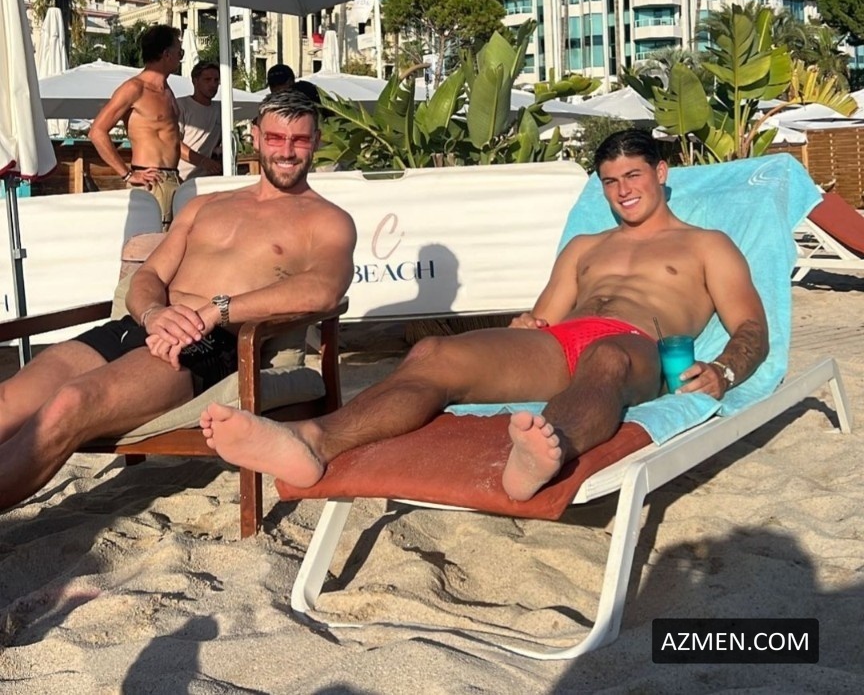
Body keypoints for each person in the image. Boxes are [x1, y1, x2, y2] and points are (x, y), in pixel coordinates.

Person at [200, 130, 769, 502]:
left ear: (662, 172)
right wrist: (526, 326)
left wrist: (726, 370)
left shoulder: (706, 244)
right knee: (434, 353)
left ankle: (547, 451)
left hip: (634, 348)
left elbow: (751, 326)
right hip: (560, 344)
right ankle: (314, 441)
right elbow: (544, 318)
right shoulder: (585, 246)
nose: (623, 191)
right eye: (611, 181)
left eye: (634, 176)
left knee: (606, 357)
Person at [0, 91, 357, 512]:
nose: (286, 151)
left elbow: (323, 290)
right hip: (140, 326)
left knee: (71, 404)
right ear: (256, 137)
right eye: (276, 138)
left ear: (316, 141)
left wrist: (215, 311)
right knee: (7, 403)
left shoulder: (327, 220)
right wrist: (154, 314)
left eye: (299, 140)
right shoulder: (205, 205)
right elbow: (148, 276)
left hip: (209, 344)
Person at [89, 24, 183, 228]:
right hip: (151, 180)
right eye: (179, 52)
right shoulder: (135, 88)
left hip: (173, 178)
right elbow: (97, 131)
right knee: (153, 242)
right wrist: (128, 174)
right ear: (166, 54)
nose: (181, 57)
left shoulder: (167, 90)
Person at [177, 60, 222, 181]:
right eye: (207, 80)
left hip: (209, 178)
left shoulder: (221, 109)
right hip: (182, 177)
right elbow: (174, 143)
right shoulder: (181, 105)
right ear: (195, 81)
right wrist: (203, 161)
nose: (213, 84)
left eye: (216, 80)